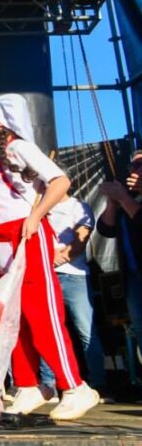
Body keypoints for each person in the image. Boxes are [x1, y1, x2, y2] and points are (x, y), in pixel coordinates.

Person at [0, 93, 98, 420]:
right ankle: (28, 385)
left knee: (42, 314)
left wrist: (35, 216)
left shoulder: (20, 147)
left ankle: (74, 386)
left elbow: (60, 181)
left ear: (2, 122)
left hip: (26, 238)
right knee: (12, 319)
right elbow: (0, 203)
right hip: (3, 244)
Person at [39, 195, 105, 397]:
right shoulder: (39, 205)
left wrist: (57, 257)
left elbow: (80, 240)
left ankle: (98, 384)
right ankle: (48, 384)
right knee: (47, 330)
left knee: (86, 331)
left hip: (74, 277)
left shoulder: (78, 207)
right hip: (45, 276)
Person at [97, 150, 142, 387]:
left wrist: (123, 198)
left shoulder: (130, 199)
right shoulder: (129, 198)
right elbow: (106, 229)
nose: (135, 170)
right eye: (133, 166)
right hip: (133, 275)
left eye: (140, 164)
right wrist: (113, 203)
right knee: (140, 325)